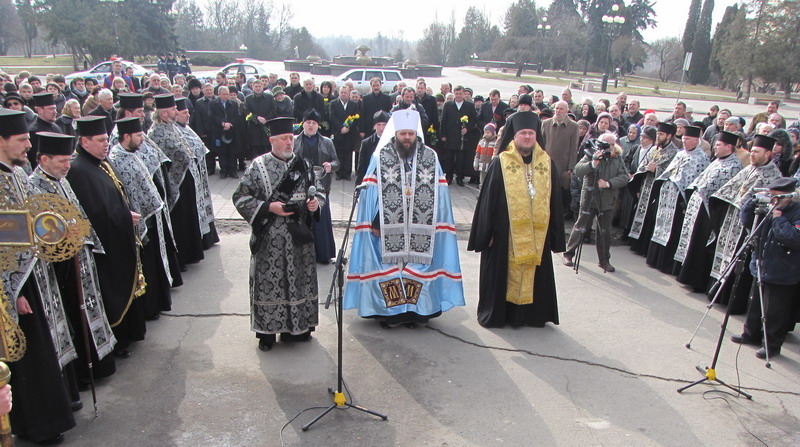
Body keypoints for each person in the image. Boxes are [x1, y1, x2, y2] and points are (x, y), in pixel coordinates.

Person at [344, 109, 465, 327]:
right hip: (387, 226)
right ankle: (392, 313)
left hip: (422, 227)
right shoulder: (381, 156)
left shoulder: (430, 156)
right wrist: (376, 221)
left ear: (416, 134)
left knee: (418, 266)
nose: (407, 138)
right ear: (396, 134)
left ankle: (417, 312)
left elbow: (441, 194)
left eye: (411, 134)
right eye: (403, 134)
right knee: (391, 269)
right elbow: (371, 193)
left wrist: (437, 222)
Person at [0, 111, 78, 444]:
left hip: (35, 273)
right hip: (15, 285)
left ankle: (55, 412)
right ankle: (38, 426)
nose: (29, 145)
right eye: (21, 139)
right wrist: (13, 292)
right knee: (31, 358)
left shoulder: (16, 174)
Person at [29, 132, 119, 384]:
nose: (67, 166)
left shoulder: (62, 180)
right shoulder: (34, 188)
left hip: (81, 259)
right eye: (62, 161)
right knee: (74, 318)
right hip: (62, 268)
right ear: (44, 159)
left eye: (69, 160)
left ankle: (99, 366)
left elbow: (78, 215)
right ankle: (81, 374)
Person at [233, 117, 324, 351]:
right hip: (270, 238)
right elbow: (240, 197)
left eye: (291, 138)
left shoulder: (304, 165)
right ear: (272, 140)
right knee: (270, 284)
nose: (289, 143)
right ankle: (267, 334)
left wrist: (315, 204)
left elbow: (319, 192)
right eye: (284, 138)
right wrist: (268, 207)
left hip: (299, 238)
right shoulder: (258, 166)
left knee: (299, 282)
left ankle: (297, 330)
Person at [468, 111, 565, 328]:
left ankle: (531, 316)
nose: (527, 137)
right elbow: (488, 203)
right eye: (523, 133)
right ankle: (503, 315)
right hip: (505, 234)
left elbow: (555, 201)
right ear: (515, 136)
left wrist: (556, 235)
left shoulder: (547, 163)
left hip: (537, 235)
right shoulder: (501, 162)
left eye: (531, 133)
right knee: (503, 273)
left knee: (535, 274)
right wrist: (486, 234)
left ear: (536, 136)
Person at [108, 117, 178, 321]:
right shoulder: (118, 159)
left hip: (150, 216)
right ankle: (150, 307)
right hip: (140, 221)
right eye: (138, 136)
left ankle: (158, 303)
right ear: (126, 136)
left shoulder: (131, 154)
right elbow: (129, 192)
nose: (142, 139)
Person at [707, 134, 783, 313]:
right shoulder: (749, 168)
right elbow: (731, 188)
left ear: (768, 154)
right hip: (733, 218)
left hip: (749, 226)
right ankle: (717, 292)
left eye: (757, 152)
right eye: (752, 151)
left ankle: (732, 301)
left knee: (740, 260)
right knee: (725, 253)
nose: (752, 155)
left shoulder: (774, 176)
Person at [731, 177, 800, 359]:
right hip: (763, 263)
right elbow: (747, 222)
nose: (773, 200)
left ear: (788, 197)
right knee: (755, 303)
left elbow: (793, 238)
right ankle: (750, 334)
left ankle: (771, 346)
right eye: (771, 196)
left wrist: (779, 219)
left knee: (776, 311)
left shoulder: (795, 212)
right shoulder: (769, 208)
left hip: (784, 269)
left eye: (777, 196)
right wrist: (751, 204)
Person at [675, 131, 743, 291]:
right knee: (694, 240)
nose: (715, 148)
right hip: (699, 208)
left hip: (711, 211)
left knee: (702, 244)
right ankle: (686, 275)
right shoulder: (717, 161)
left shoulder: (734, 166)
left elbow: (721, 190)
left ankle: (697, 281)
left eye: (718, 145)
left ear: (729, 147)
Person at [148, 94, 206, 267]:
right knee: (179, 221)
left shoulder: (171, 127)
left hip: (185, 180)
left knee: (187, 218)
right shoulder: (156, 132)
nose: (176, 112)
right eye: (173, 109)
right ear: (164, 113)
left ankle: (191, 253)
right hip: (175, 183)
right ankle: (182, 257)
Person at [645, 125, 710, 273]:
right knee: (661, 226)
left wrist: (684, 202)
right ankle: (655, 259)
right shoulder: (680, 154)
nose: (684, 141)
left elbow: (693, 181)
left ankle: (666, 263)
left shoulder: (701, 158)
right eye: (684, 139)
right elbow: (669, 172)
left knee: (674, 230)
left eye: (688, 139)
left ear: (696, 140)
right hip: (667, 197)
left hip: (679, 200)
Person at [562, 132, 629, 272]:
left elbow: (624, 177)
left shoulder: (617, 158)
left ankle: (604, 261)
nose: (610, 148)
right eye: (607, 145)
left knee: (605, 231)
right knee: (581, 226)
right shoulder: (590, 154)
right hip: (590, 198)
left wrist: (609, 183)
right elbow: (577, 170)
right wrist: (593, 164)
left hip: (608, 199)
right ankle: (568, 254)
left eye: (612, 144)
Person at [293, 109, 339, 263]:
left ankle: (323, 254)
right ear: (303, 124)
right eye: (308, 122)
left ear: (318, 125)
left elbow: (337, 162)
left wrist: (330, 166)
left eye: (314, 123)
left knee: (321, 221)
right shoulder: (294, 141)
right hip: (299, 186)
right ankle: (301, 255)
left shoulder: (327, 142)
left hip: (321, 186)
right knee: (300, 220)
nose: (311, 125)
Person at [628, 122, 680, 255]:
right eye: (657, 134)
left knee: (652, 217)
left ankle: (645, 248)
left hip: (659, 190)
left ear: (669, 136)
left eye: (661, 134)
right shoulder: (653, 149)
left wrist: (657, 170)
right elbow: (642, 165)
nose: (658, 137)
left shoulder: (674, 152)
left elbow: (672, 172)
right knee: (641, 213)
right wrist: (644, 170)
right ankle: (636, 244)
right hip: (645, 186)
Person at [175, 97, 220, 250]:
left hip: (199, 173)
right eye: (184, 113)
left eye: (188, 112)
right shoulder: (176, 130)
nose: (188, 115)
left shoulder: (186, 128)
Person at [541, 100, 580, 217]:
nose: (558, 111)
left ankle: (563, 211)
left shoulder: (574, 126)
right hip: (547, 162)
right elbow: (541, 144)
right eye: (556, 108)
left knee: (563, 188)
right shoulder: (546, 123)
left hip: (564, 164)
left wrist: (571, 167)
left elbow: (574, 148)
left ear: (567, 111)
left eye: (561, 109)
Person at [439, 85, 478, 186]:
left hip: (462, 137)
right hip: (450, 135)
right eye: (456, 94)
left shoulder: (469, 105)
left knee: (461, 159)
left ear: (464, 94)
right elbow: (443, 120)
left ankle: (460, 177)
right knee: (449, 158)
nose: (458, 96)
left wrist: (467, 128)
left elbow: (473, 120)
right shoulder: (448, 104)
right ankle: (449, 176)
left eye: (460, 93)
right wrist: (443, 134)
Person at [330, 84, 360, 180]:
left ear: (349, 94)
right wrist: (340, 128)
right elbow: (332, 117)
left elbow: (356, 118)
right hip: (338, 132)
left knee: (348, 153)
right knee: (338, 152)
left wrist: (347, 128)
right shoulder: (333, 103)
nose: (343, 94)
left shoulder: (353, 104)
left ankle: (347, 173)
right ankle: (339, 173)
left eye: (345, 93)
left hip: (349, 132)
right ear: (339, 93)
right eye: (342, 92)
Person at [209, 86, 240, 178]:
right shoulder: (213, 103)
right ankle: (224, 170)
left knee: (232, 152)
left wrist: (230, 124)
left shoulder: (234, 103)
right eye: (224, 94)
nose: (226, 96)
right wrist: (222, 123)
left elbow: (237, 116)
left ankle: (233, 170)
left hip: (231, 130)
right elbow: (212, 116)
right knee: (222, 152)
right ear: (219, 94)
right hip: (219, 131)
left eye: (227, 94)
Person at [28, 92, 64, 167]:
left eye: (55, 108)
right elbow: (35, 160)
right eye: (51, 109)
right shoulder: (34, 131)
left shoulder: (56, 127)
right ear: (39, 110)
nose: (55, 112)